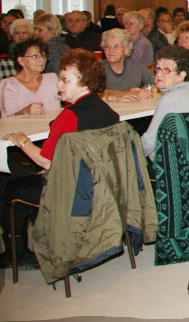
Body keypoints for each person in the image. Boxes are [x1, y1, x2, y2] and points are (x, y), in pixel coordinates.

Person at [2, 49, 120, 268]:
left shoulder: (69, 116)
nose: (58, 85)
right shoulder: (106, 111)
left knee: (10, 186)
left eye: (65, 80)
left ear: (84, 83)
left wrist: (22, 141)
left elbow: (46, 161)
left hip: (72, 191)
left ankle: (17, 253)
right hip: (102, 184)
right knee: (28, 180)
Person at [142, 45, 189, 159]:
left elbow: (149, 143)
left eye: (166, 70)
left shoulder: (170, 100)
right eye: (158, 69)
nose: (159, 74)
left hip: (170, 163)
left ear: (181, 75)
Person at [0, 39, 59, 117]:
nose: (42, 60)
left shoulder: (52, 79)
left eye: (43, 56)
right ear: (21, 61)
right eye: (35, 56)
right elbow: (6, 119)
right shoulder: (9, 85)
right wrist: (24, 111)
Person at [101, 28, 155, 101]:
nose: (111, 50)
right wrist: (128, 93)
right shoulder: (98, 68)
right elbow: (96, 92)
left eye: (116, 46)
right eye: (107, 46)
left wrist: (144, 91)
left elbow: (157, 83)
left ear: (127, 49)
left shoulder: (136, 67)